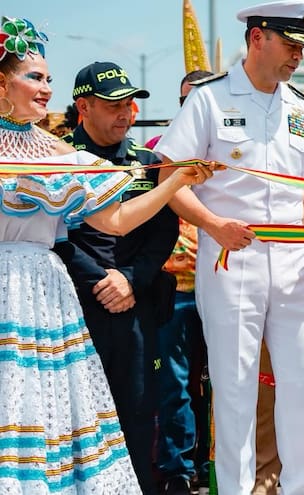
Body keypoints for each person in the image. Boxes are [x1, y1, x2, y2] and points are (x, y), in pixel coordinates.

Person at [0, 16, 213, 492]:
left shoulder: (59, 154)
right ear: (1, 82)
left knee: (53, 413)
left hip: (44, 296)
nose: (45, 87)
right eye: (34, 77)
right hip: (16, 290)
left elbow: (116, 220)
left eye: (49, 79)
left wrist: (176, 181)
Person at [154, 1, 304, 494]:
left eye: (302, 46)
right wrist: (213, 225)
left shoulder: (301, 107)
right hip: (233, 257)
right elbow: (169, 176)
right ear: (258, 38)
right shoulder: (210, 100)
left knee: (302, 383)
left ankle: (301, 487)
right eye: (290, 44)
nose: (298, 55)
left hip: (296, 260)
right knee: (235, 386)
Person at [55, 60, 178, 495]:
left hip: (135, 307)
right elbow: (53, 234)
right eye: (114, 105)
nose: (126, 114)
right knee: (74, 418)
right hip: (74, 307)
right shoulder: (58, 159)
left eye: (130, 103)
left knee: (139, 417)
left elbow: (165, 230)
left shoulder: (146, 164)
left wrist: (129, 278)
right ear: (83, 106)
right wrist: (99, 281)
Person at [151, 69, 214, 495]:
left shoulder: (234, 154)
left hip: (221, 284)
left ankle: (216, 465)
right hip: (171, 290)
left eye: (198, 101)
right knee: (175, 386)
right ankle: (177, 468)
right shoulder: (157, 154)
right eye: (183, 101)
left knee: (223, 384)